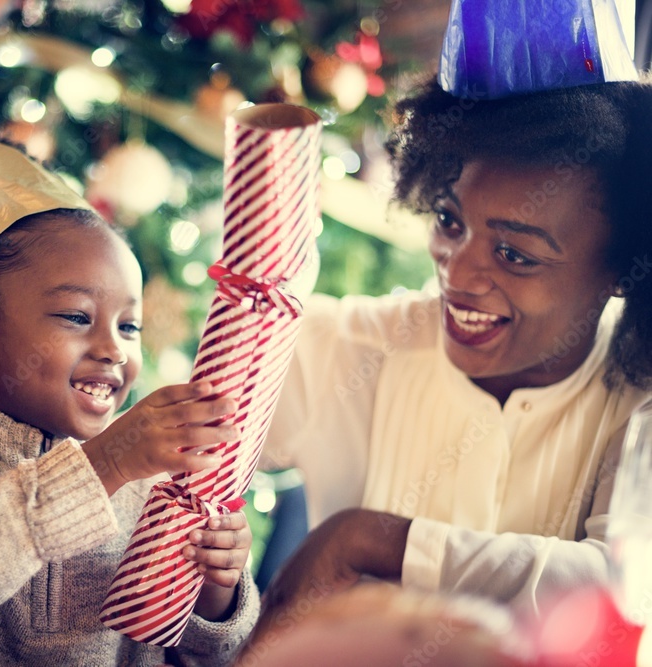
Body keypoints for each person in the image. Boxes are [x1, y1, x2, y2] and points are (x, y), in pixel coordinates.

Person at [260, 45, 652, 618]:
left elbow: (625, 584)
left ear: (621, 270)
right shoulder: (340, 349)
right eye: (449, 221)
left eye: (514, 254)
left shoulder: (640, 394)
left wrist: (366, 540)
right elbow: (171, 483)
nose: (456, 273)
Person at [0, 141, 261, 666]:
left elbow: (212, 651)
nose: (113, 350)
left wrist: (219, 590)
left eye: (129, 326)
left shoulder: (153, 485)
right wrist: (107, 462)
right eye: (77, 317)